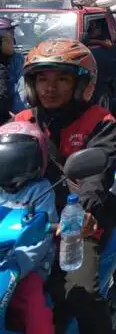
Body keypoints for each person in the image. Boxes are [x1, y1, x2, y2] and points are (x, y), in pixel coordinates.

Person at [14, 38, 116, 334]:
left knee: (80, 294)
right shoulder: (22, 122)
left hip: (73, 222)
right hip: (25, 219)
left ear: (81, 84)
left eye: (62, 78)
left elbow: (99, 173)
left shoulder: (99, 120)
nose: (50, 87)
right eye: (42, 79)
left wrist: (83, 212)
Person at [0, 120, 58, 334]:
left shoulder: (40, 191)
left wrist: (16, 267)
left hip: (28, 265)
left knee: (32, 301)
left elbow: (39, 240)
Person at [0, 18, 25, 122]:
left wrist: (20, 116)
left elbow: (23, 93)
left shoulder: (17, 60)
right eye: (10, 36)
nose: (14, 42)